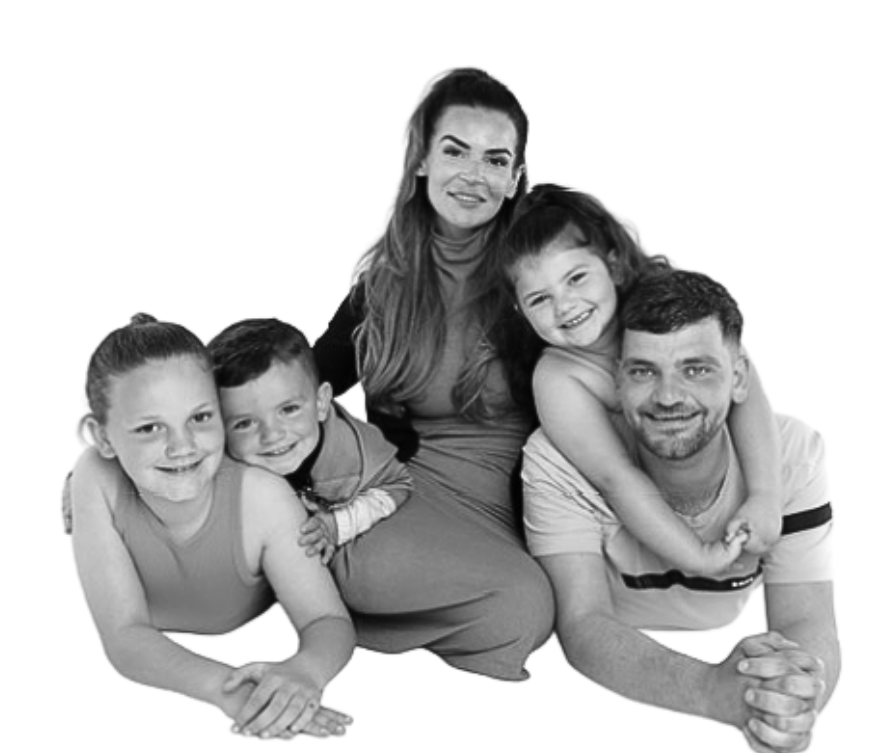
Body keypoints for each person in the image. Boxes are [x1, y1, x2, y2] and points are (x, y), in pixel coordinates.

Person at [522, 270, 840, 753]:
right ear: (618, 378)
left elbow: (806, 618)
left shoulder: (792, 454)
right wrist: (711, 690)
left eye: (696, 369)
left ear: (738, 379)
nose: (668, 397)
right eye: (644, 371)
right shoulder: (557, 458)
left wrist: (792, 699)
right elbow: (584, 623)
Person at [313, 67, 555, 680]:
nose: (474, 175)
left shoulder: (542, 273)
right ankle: (309, 556)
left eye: (496, 160)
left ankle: (324, 591)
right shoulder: (383, 282)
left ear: (515, 179)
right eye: (455, 151)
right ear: (421, 160)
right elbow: (309, 378)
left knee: (525, 613)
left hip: (506, 505)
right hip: (395, 492)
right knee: (516, 602)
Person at [66, 315, 355, 739]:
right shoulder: (95, 478)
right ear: (102, 437)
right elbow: (125, 634)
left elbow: (328, 619)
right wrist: (232, 692)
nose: (182, 447)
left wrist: (304, 670)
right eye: (149, 428)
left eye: (200, 418)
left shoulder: (263, 497)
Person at [502, 184, 782, 574]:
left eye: (577, 278)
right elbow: (616, 478)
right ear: (521, 310)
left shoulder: (665, 309)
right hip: (622, 518)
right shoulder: (558, 378)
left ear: (614, 267)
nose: (564, 305)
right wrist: (698, 557)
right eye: (539, 299)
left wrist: (765, 496)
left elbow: (743, 392)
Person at [208, 318, 412, 564]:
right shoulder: (222, 459)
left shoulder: (353, 456)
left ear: (321, 403)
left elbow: (399, 485)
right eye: (244, 424)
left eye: (289, 409)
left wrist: (338, 524)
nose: (272, 435)